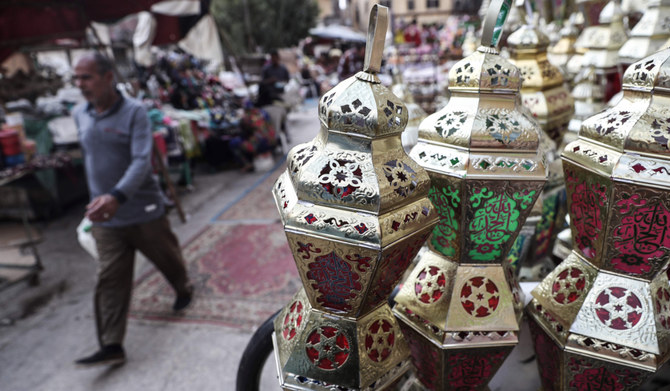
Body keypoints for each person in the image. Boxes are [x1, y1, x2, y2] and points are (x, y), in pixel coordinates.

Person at [72, 52, 193, 367]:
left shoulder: (135, 112)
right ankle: (112, 344)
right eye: (77, 78)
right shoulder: (79, 114)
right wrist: (100, 200)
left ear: (108, 76)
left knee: (167, 258)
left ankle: (183, 286)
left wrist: (117, 195)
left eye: (86, 77)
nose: (79, 84)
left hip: (143, 208)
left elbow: (142, 160)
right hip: (105, 217)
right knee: (110, 277)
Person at [256, 50, 290, 146]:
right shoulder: (266, 69)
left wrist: (281, 83)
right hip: (270, 97)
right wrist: (270, 81)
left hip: (280, 95)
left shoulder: (283, 68)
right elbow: (262, 83)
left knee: (282, 114)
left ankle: (283, 133)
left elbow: (287, 80)